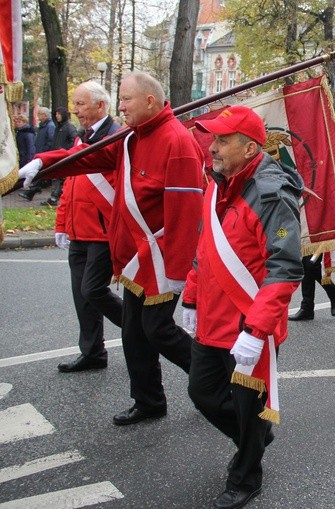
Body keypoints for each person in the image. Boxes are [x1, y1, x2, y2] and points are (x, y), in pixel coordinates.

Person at [19, 71, 204, 425]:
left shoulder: (177, 142)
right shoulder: (131, 138)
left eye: (126, 99)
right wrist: (44, 163)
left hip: (162, 257)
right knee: (135, 332)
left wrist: (179, 274)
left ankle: (214, 380)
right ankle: (149, 401)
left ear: (150, 101)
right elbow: (87, 157)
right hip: (136, 258)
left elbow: (185, 215)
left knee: (157, 330)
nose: (121, 106)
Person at [183, 106, 304, 508]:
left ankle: (246, 475)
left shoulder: (272, 196)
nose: (212, 147)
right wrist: (190, 295)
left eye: (222, 140)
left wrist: (256, 332)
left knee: (246, 403)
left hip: (250, 325)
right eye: (212, 139)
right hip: (211, 319)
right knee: (202, 392)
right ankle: (253, 435)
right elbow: (206, 247)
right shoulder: (218, 182)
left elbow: (285, 268)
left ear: (250, 148)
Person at [54, 82, 124, 373]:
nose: (75, 110)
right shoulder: (83, 137)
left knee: (93, 290)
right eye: (75, 103)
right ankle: (93, 353)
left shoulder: (117, 136)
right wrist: (61, 223)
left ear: (100, 106)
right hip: (79, 231)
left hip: (102, 232)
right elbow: (71, 183)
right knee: (82, 297)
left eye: (81, 104)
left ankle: (142, 328)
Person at [42, 107, 78, 206]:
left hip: (62, 156)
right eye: (56, 114)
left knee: (57, 177)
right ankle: (55, 196)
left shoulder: (69, 127)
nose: (57, 116)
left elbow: (74, 139)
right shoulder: (59, 127)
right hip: (56, 155)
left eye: (59, 114)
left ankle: (55, 197)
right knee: (56, 177)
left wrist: (64, 150)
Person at [289, 254, 335, 321]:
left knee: (311, 265)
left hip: (319, 242)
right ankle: (307, 308)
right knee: (306, 264)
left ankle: (333, 293)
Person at [18, 107, 55, 201]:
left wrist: (43, 150)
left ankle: (32, 191)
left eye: (40, 114)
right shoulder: (43, 126)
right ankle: (32, 191)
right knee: (38, 176)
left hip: (44, 154)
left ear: (45, 115)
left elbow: (50, 141)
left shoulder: (50, 126)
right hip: (39, 153)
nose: (38, 116)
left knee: (39, 175)